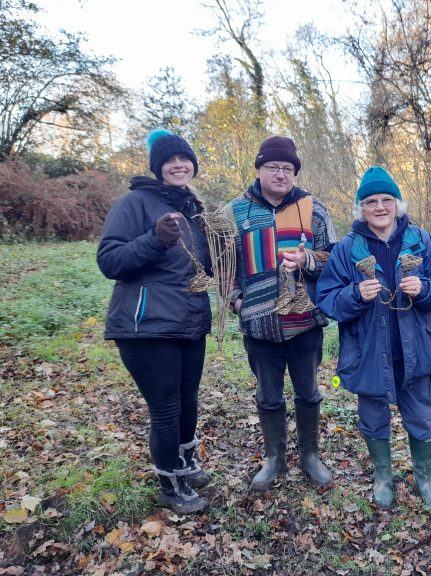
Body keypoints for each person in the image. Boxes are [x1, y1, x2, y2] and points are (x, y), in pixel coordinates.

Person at [316, 166, 431, 511]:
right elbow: (328, 300)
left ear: (397, 204)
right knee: (373, 418)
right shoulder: (347, 249)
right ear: (360, 208)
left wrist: (424, 289)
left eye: (386, 200)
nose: (380, 207)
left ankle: (424, 478)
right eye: (371, 201)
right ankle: (383, 477)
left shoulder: (421, 241)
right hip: (368, 353)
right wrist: (355, 294)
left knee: (421, 416)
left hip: (416, 350)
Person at [97, 129, 210, 514]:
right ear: (158, 167)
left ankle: (186, 461)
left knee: (188, 400)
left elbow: (200, 265)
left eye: (184, 159)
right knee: (165, 407)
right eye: (170, 160)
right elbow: (110, 261)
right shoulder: (135, 203)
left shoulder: (195, 209)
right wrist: (154, 239)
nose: (179, 165)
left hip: (190, 322)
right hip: (146, 326)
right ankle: (169, 483)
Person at [224, 135, 336, 492]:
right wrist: (238, 304)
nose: (281, 174)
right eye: (273, 167)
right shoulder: (234, 213)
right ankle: (274, 458)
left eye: (287, 169)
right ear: (258, 169)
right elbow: (223, 269)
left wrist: (308, 260)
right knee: (268, 395)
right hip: (259, 325)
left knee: (309, 392)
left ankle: (310, 456)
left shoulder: (313, 209)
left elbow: (333, 261)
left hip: (305, 324)